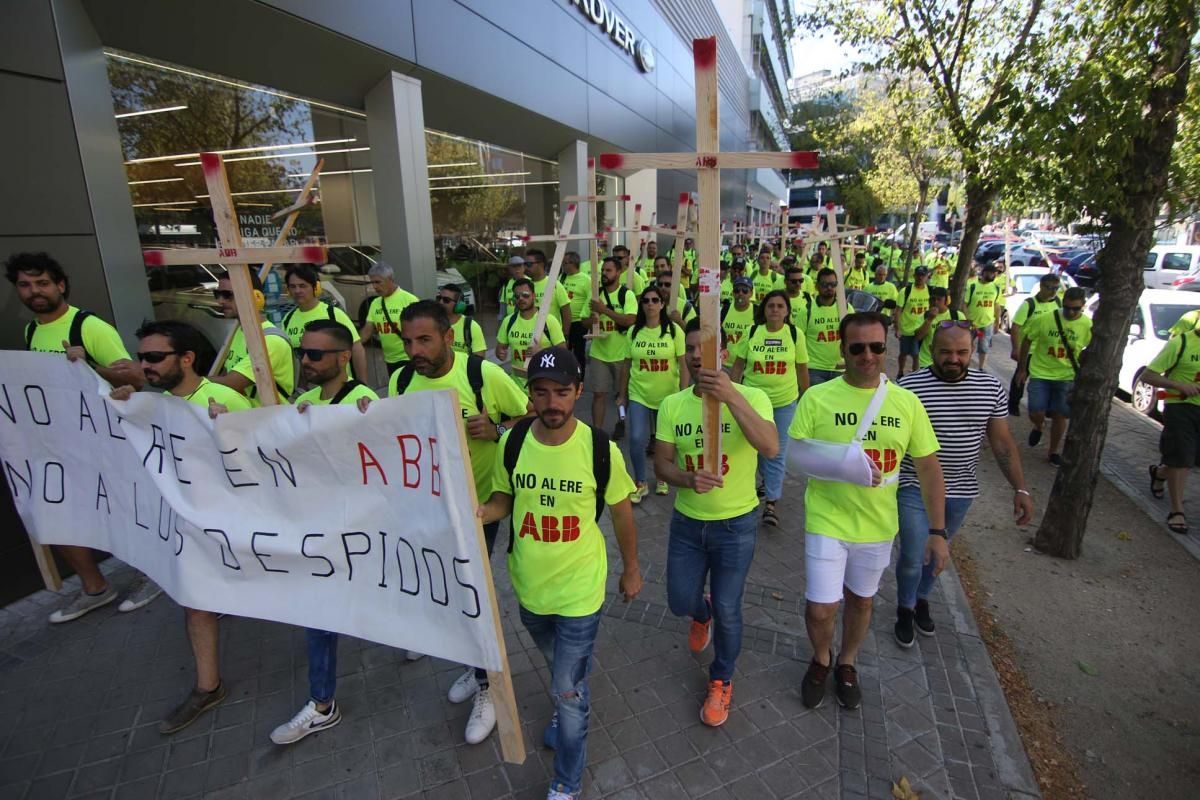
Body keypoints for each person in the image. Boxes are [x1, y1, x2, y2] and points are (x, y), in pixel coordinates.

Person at [478, 346, 642, 800]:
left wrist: (631, 570)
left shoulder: (599, 448)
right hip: (529, 590)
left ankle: (566, 783)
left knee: (568, 691)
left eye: (562, 393)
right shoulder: (512, 444)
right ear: (529, 394)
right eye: (541, 392)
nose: (552, 403)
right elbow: (503, 500)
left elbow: (623, 515)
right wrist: (480, 512)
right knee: (561, 671)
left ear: (578, 393)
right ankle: (565, 695)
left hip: (580, 591)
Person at [371, 301, 533, 744]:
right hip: (428, 508)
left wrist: (497, 430)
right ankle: (472, 666)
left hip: (479, 508)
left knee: (471, 595)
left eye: (423, 339)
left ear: (448, 336)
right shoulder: (402, 379)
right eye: (407, 341)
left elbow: (530, 415)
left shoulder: (483, 375)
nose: (414, 349)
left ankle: (489, 689)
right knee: (449, 590)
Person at [787, 312, 945, 710]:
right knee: (821, 607)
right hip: (827, 517)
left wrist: (938, 532)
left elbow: (928, 467)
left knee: (862, 601)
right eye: (857, 347)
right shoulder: (818, 398)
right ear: (843, 350)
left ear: (886, 348)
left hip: (877, 525)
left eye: (877, 346)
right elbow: (795, 456)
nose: (868, 355)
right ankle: (821, 658)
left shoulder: (906, 403)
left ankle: (847, 661)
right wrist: (841, 465)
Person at [109, 320, 253, 734]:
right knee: (195, 601)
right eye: (142, 358)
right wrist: (120, 411)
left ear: (186, 359)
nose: (145, 366)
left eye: (155, 357)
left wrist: (229, 432)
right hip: (191, 527)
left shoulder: (224, 398)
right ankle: (208, 687)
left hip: (238, 526)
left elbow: (265, 462)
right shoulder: (146, 406)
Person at [5, 251, 153, 623]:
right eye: (25, 285)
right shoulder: (31, 331)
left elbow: (135, 379)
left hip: (105, 441)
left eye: (41, 283)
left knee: (126, 510)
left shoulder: (90, 327)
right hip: (59, 441)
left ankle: (156, 574)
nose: (34, 291)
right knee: (53, 510)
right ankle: (95, 588)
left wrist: (89, 364)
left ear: (60, 285)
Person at [654, 321, 778, 726]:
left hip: (736, 526)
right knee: (678, 600)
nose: (695, 355)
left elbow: (771, 446)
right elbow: (662, 465)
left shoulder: (754, 396)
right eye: (689, 348)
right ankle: (698, 611)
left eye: (704, 349)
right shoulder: (673, 405)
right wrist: (687, 479)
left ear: (722, 353)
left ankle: (722, 678)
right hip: (688, 524)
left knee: (729, 607)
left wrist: (730, 394)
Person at [269, 320, 378, 745]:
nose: (306, 361)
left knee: (385, 601)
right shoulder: (306, 402)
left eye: (315, 354)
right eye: (302, 353)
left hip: (363, 531)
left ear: (343, 357)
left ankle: (416, 637)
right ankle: (321, 703)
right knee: (318, 616)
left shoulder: (364, 400)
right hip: (321, 532)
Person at [894, 322, 1033, 646]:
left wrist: (1021, 488)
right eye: (945, 352)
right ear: (932, 349)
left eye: (961, 352)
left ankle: (922, 598)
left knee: (938, 554)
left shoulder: (990, 389)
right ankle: (904, 606)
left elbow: (1001, 443)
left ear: (973, 351)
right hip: (914, 487)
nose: (953, 358)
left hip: (961, 490)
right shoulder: (909, 388)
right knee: (914, 554)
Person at [731, 290, 810, 526]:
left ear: (787, 311)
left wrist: (805, 398)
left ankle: (771, 503)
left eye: (780, 306)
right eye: (771, 306)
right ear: (764, 310)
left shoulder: (795, 335)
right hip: (754, 402)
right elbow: (738, 365)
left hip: (784, 402)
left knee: (777, 452)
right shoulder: (752, 332)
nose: (775, 310)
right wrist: (732, 394)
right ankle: (765, 482)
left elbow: (802, 369)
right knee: (756, 448)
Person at [617, 285, 688, 501]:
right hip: (639, 393)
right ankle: (640, 481)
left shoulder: (675, 332)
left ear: (662, 304)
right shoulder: (633, 332)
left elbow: (684, 366)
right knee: (637, 438)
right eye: (646, 300)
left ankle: (663, 477)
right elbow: (626, 366)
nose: (650, 304)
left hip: (667, 395)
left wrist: (683, 394)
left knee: (664, 441)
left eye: (655, 300)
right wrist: (622, 395)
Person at [1015, 287, 1092, 465]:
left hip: (1066, 376)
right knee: (1035, 409)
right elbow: (1027, 339)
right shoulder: (1045, 319)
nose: (1071, 312)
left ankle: (1053, 451)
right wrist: (1022, 368)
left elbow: (1090, 349)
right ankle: (1039, 425)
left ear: (1083, 306)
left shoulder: (1087, 325)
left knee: (1060, 414)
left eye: (1076, 309)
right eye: (1067, 307)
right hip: (1041, 372)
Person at [1143, 324, 1200, 534]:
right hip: (1180, 407)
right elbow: (1148, 376)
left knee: (1192, 460)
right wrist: (1179, 385)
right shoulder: (1181, 343)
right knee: (1182, 457)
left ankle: (1159, 473)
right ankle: (1177, 510)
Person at [210, 271, 296, 405]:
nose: (220, 301)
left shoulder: (270, 340)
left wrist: (191, 382)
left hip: (269, 421)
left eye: (228, 295)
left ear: (256, 297)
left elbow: (232, 382)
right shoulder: (239, 331)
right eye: (218, 294)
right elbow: (226, 375)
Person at [281, 264, 368, 380]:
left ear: (315, 287)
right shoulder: (287, 319)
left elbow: (357, 349)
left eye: (303, 286)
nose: (297, 291)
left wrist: (363, 383)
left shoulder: (334, 314)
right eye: (293, 286)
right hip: (305, 391)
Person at [586, 257, 639, 440]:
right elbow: (583, 321)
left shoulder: (627, 295)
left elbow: (630, 320)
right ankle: (597, 431)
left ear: (618, 273)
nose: (604, 274)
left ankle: (621, 421)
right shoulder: (595, 294)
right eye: (603, 271)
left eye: (609, 271)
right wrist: (590, 321)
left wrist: (604, 310)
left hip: (622, 354)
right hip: (599, 353)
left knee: (621, 394)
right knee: (599, 394)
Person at [496, 278, 566, 390]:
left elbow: (563, 353)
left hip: (543, 384)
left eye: (525, 295)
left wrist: (543, 352)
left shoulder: (549, 320)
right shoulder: (508, 321)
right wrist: (500, 353)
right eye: (517, 296)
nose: (521, 299)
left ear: (534, 295)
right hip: (517, 386)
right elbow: (499, 350)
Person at [1007, 272, 1062, 414]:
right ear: (1042, 287)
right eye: (1050, 288)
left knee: (1047, 378)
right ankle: (1013, 404)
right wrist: (1015, 348)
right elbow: (1016, 326)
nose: (1053, 291)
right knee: (1021, 375)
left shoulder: (1057, 302)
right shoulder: (1029, 304)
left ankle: (1048, 407)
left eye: (1056, 288)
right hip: (1029, 349)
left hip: (1047, 350)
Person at [359, 261, 420, 375]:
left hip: (409, 359)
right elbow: (367, 331)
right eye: (372, 283)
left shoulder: (409, 300)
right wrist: (351, 346)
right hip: (389, 361)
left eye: (378, 282)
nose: (374, 286)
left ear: (390, 279)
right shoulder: (375, 304)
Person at [800, 267, 845, 386]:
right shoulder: (806, 311)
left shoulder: (845, 308)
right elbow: (797, 341)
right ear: (817, 286)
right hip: (814, 369)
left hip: (840, 368)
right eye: (825, 284)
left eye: (833, 284)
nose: (829, 288)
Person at [524, 248, 573, 335]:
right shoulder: (524, 285)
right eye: (525, 264)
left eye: (529, 264)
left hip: (551, 336)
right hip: (528, 335)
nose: (525, 267)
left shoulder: (554, 284)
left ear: (541, 264)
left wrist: (565, 335)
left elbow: (566, 312)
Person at [894, 266, 932, 377]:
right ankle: (900, 371)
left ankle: (916, 375)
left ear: (926, 277)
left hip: (923, 329)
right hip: (907, 330)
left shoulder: (930, 291)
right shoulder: (906, 291)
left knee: (917, 354)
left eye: (923, 275)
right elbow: (898, 310)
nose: (920, 277)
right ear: (914, 276)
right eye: (918, 275)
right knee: (904, 353)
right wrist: (897, 328)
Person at [964, 263, 1003, 370]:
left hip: (987, 323)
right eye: (991, 273)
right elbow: (965, 305)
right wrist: (968, 320)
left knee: (984, 347)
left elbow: (996, 305)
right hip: (972, 323)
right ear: (984, 273)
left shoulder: (996, 288)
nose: (993, 275)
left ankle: (981, 368)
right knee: (967, 346)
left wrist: (997, 322)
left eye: (995, 273)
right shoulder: (972, 286)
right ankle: (965, 365)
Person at [915, 287, 964, 369]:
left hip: (949, 361)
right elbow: (918, 337)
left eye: (939, 299)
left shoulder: (957, 316)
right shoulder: (924, 316)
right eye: (933, 299)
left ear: (946, 301)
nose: (935, 302)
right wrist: (929, 319)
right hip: (926, 361)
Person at [560, 252, 592, 373]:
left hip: (578, 322)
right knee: (564, 351)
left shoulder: (586, 280)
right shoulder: (562, 278)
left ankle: (580, 377)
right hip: (563, 321)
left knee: (578, 353)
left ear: (574, 263)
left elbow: (589, 300)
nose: (563, 265)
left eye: (565, 263)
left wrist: (584, 317)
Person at [437, 283, 487, 358]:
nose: (440, 302)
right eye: (439, 298)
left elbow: (478, 362)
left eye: (446, 300)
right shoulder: (432, 324)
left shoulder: (471, 327)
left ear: (458, 305)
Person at [721, 277, 756, 368]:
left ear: (751, 293)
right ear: (733, 293)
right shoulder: (725, 309)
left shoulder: (757, 311)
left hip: (747, 367)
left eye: (745, 291)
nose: (740, 293)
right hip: (725, 365)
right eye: (737, 290)